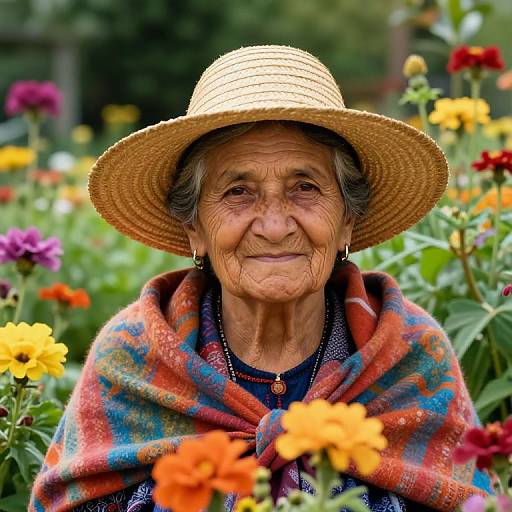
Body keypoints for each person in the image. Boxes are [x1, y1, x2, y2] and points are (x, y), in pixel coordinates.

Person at [30, 45, 490, 512]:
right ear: (195, 228)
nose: (274, 226)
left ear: (347, 220)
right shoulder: (132, 358)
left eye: (305, 187)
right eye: (238, 192)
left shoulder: (409, 356)